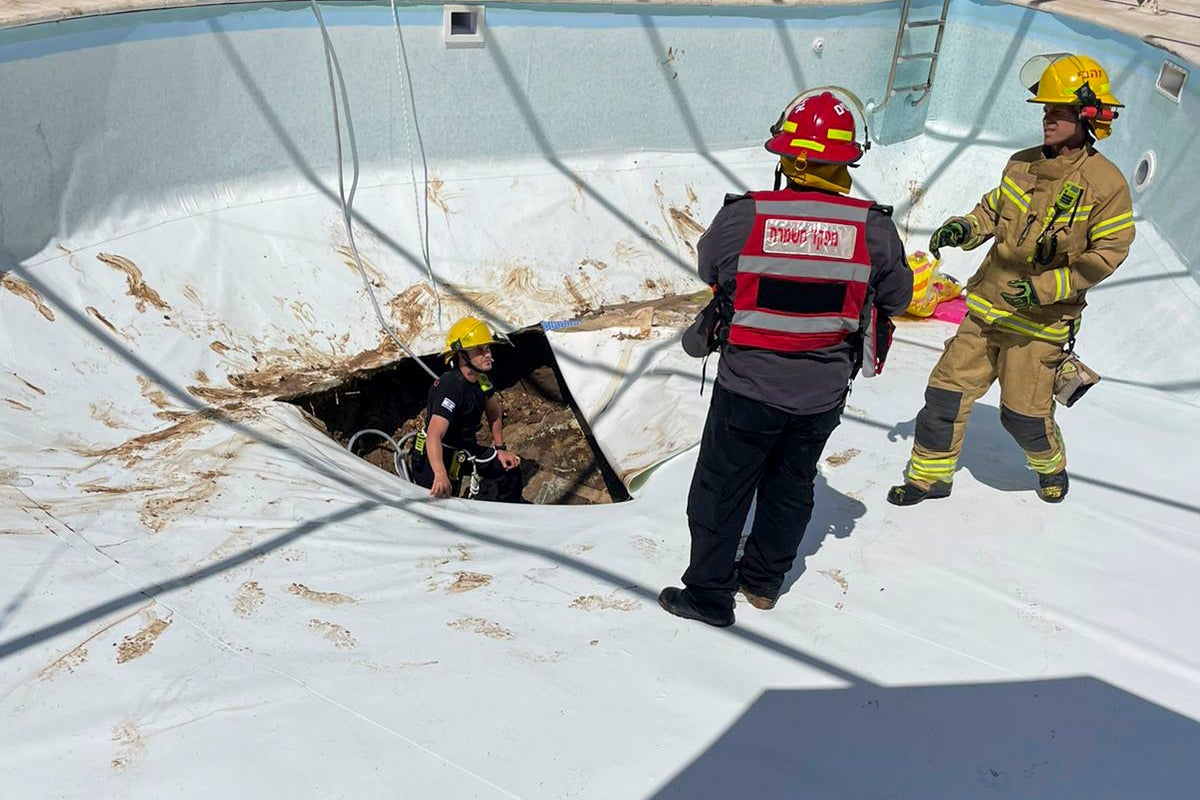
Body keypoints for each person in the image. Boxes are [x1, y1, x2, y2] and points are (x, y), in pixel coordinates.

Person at [660, 87, 913, 627]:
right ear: (846, 160)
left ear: (789, 157)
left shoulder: (744, 216)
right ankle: (763, 583)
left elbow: (712, 271)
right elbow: (898, 299)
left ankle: (707, 595)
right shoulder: (874, 228)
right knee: (791, 484)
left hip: (747, 388)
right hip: (820, 394)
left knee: (720, 490)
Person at [888, 54, 1134, 507]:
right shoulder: (1020, 165)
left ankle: (1050, 464)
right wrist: (965, 227)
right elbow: (994, 210)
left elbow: (1108, 255)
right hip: (986, 307)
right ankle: (928, 478)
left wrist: (1042, 289)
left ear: (1087, 116)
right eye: (1044, 110)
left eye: (1057, 111)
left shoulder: (1107, 184)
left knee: (1023, 417)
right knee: (945, 395)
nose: (1047, 118)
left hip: (1040, 324)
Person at [411, 316, 525, 502]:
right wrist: (440, 474)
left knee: (509, 471)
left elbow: (494, 413)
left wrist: (500, 448)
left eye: (487, 348)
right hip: (436, 455)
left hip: (464, 449)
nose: (487, 354)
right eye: (480, 350)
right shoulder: (451, 387)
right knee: (441, 502)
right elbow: (434, 435)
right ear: (462, 355)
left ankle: (509, 513)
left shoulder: (482, 381)